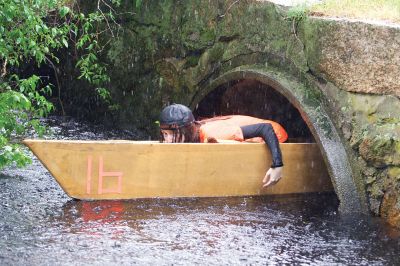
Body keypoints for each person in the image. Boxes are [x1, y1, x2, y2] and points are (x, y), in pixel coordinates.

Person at [159, 104, 288, 188]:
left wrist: (277, 165)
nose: (167, 140)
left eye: (170, 134)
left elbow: (265, 128)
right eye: (164, 134)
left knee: (213, 143)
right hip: (245, 130)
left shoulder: (212, 133)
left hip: (275, 135)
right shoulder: (195, 131)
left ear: (186, 131)